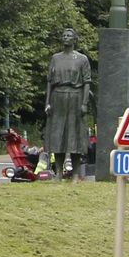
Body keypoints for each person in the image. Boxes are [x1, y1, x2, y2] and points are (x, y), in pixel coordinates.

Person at [43, 28, 92, 180]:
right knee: (58, 135)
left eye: (69, 35)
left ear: (74, 39)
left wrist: (84, 103)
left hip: (76, 97)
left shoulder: (82, 59)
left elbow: (87, 82)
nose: (66, 37)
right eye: (64, 35)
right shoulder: (55, 58)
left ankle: (76, 173)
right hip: (58, 98)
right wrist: (47, 102)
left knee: (75, 135)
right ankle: (58, 172)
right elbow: (50, 82)